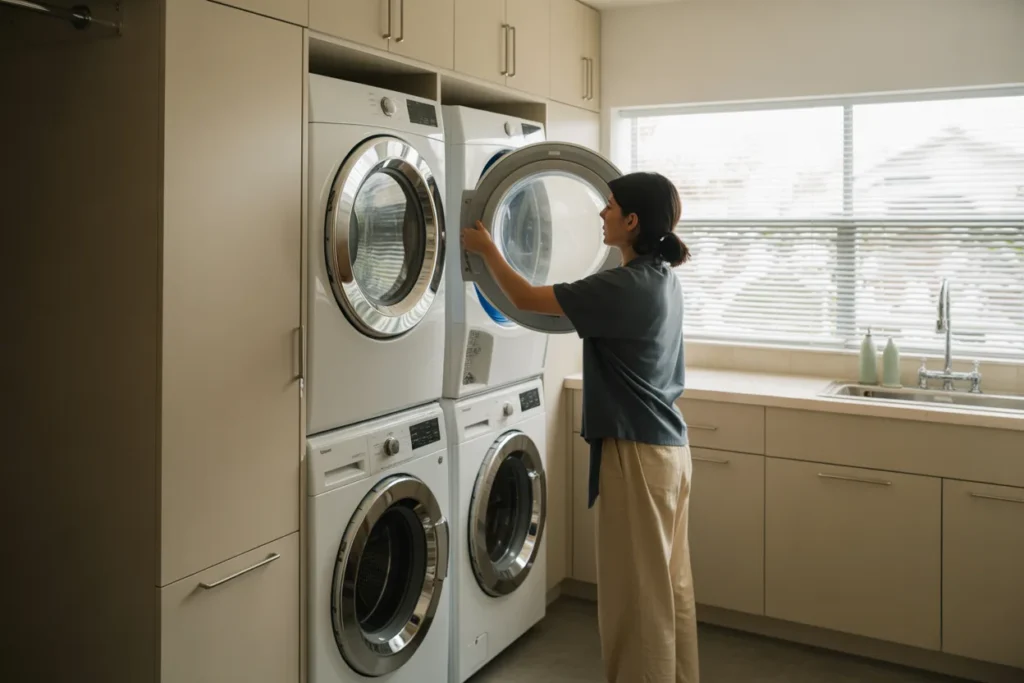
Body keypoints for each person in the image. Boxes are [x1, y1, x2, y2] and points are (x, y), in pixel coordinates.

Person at [462, 171, 698, 683]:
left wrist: (485, 248)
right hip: (670, 452)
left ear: (631, 222)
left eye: (610, 207)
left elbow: (525, 298)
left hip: (637, 454)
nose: (601, 213)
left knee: (636, 600)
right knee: (669, 589)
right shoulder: (661, 278)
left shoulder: (622, 287)